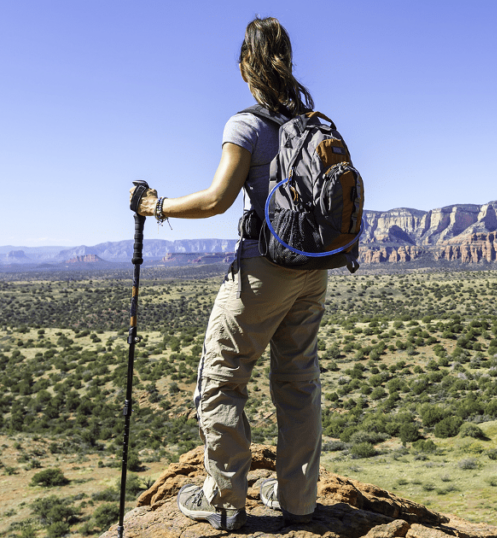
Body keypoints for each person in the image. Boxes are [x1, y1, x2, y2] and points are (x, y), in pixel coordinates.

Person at [130, 16, 324, 531]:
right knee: (298, 383)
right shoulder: (309, 120)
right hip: (314, 269)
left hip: (263, 268)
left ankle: (224, 499)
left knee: (220, 380)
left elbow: (217, 200)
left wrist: (157, 206)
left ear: (245, 66)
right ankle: (299, 498)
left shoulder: (247, 124)